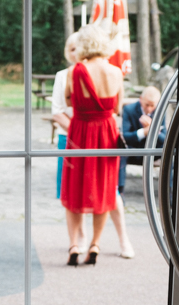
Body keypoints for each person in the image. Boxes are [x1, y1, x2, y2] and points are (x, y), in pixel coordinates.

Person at [61, 25, 124, 267]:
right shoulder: (116, 72)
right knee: (104, 187)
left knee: (74, 187)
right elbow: (117, 107)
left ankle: (74, 245)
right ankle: (95, 244)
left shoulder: (75, 71)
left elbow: (69, 99)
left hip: (81, 131)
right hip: (107, 132)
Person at [118, 85, 166, 195]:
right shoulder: (129, 109)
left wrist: (153, 129)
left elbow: (164, 139)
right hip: (133, 151)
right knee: (120, 152)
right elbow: (125, 137)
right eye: (146, 105)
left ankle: (170, 194)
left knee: (171, 153)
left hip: (152, 152)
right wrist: (143, 132)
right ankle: (119, 192)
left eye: (152, 105)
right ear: (141, 99)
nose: (149, 108)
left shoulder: (160, 111)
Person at [51, 32, 80, 201]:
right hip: (67, 135)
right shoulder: (62, 76)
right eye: (72, 49)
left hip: (90, 137)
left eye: (80, 48)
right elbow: (57, 111)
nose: (76, 53)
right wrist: (77, 132)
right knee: (68, 191)